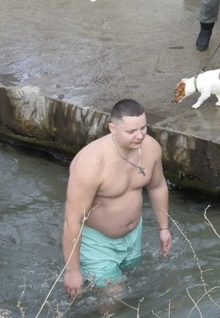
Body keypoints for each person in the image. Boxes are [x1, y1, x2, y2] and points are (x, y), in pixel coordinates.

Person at [62, 99, 172, 299]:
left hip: (133, 236)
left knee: (132, 285)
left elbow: (157, 186)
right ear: (112, 128)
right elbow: (73, 219)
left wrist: (163, 228)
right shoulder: (90, 163)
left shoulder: (151, 148)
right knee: (115, 295)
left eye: (143, 128)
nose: (140, 136)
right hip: (97, 242)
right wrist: (72, 271)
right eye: (131, 131)